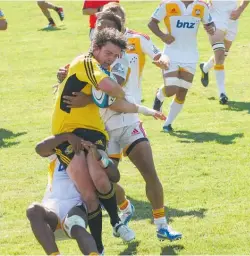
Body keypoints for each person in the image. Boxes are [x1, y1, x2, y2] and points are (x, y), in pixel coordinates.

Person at [59, 5, 182, 242]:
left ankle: (162, 224)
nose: (101, 31)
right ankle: (125, 206)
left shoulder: (126, 53)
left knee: (150, 173)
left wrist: (163, 60)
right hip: (102, 128)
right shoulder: (90, 58)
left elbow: (111, 96)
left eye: (107, 27)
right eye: (98, 28)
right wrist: (63, 76)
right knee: (103, 182)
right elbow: (78, 78)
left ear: (119, 30)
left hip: (128, 122)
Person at [27, 134, 106, 255]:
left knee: (76, 225)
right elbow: (39, 148)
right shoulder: (60, 152)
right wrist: (66, 137)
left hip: (76, 207)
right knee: (33, 210)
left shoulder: (91, 156)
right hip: (51, 210)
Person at [149, 0, 216, 132]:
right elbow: (152, 23)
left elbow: (210, 24)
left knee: (182, 92)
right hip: (171, 54)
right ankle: (159, 95)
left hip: (191, 56)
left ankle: (167, 124)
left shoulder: (201, 6)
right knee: (171, 89)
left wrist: (212, 28)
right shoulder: (167, 4)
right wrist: (163, 36)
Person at [200, 0, 250, 104]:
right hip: (215, 19)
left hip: (232, 19)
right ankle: (222, 93)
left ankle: (205, 67)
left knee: (223, 55)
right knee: (219, 54)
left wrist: (240, 9)